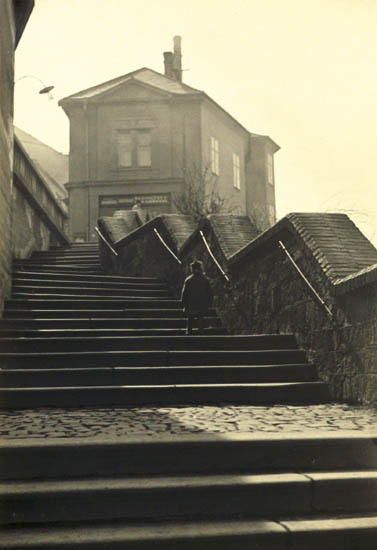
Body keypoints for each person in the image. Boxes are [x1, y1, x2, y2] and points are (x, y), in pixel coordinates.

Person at [181, 260, 213, 335]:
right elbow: (210, 293)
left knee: (190, 320)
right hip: (202, 305)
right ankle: (201, 335)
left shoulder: (188, 280)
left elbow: (184, 294)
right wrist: (209, 303)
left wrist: (184, 304)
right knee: (200, 320)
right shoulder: (205, 280)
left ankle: (188, 334)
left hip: (191, 305)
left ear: (192, 269)